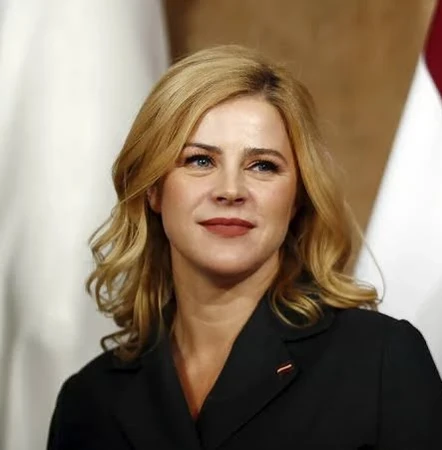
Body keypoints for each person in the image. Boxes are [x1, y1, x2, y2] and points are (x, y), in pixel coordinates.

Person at [47, 45, 442, 450]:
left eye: (262, 165)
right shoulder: (87, 402)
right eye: (200, 161)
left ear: (297, 198)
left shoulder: (380, 361)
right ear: (154, 190)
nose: (231, 190)